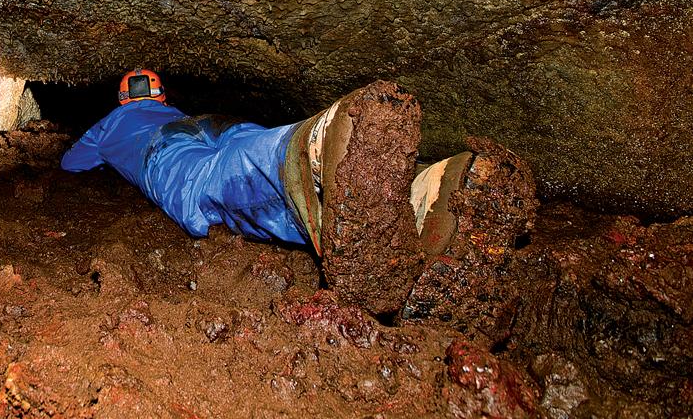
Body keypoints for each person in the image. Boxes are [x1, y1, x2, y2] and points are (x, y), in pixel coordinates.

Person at [61, 69, 531, 316]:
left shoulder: (114, 121)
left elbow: (71, 162)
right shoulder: (170, 108)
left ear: (125, 99)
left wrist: (103, 150)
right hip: (211, 123)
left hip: (166, 146)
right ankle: (417, 191)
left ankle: (315, 150)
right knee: (248, 145)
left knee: (202, 186)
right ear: (160, 96)